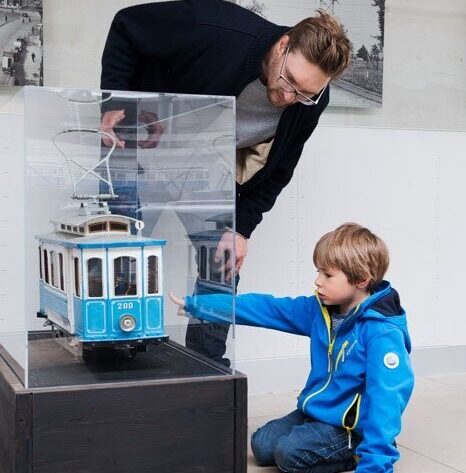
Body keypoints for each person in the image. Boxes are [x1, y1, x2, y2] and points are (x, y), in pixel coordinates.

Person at [100, 0, 353, 365]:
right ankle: (113, 365)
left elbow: (281, 167)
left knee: (222, 264)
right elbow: (127, 25)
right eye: (289, 82)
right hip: (138, 151)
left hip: (204, 173)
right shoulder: (213, 27)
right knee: (118, 261)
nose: (287, 98)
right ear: (283, 45)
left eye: (304, 94)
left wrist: (242, 229)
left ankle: (204, 372)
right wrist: (115, 99)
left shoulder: (311, 99)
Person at [172, 223, 414, 472]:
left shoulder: (382, 333)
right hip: (319, 413)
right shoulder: (320, 311)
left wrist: (376, 462)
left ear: (361, 280)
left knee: (289, 455)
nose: (317, 282)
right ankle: (320, 437)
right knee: (262, 445)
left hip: (351, 427)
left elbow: (388, 399)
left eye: (327, 275)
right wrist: (200, 306)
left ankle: (357, 450)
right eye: (318, 272)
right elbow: (267, 309)